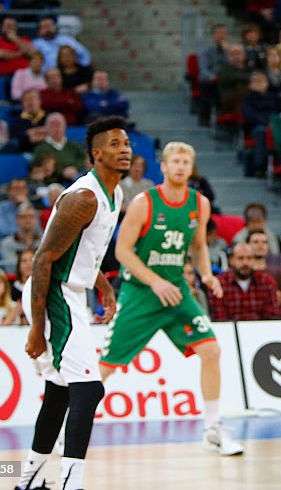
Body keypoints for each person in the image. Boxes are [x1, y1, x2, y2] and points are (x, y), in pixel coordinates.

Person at [99, 141, 242, 456]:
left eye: (185, 163)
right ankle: (66, 427)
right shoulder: (143, 203)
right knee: (106, 366)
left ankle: (212, 429)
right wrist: (155, 282)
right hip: (140, 293)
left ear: (191, 169)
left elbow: (199, 246)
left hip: (176, 291)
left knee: (211, 350)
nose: (179, 167)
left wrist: (206, 276)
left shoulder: (199, 204)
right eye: (174, 161)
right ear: (162, 167)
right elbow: (121, 252)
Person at [17, 116, 131, 490]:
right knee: (89, 387)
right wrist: (37, 328)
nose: (125, 149)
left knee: (60, 392)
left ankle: (28, 482)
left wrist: (104, 286)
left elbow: (87, 252)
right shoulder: (83, 198)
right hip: (53, 292)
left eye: (126, 142)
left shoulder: (116, 194)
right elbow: (43, 259)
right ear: (96, 155)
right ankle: (70, 483)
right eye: (114, 144)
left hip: (72, 290)